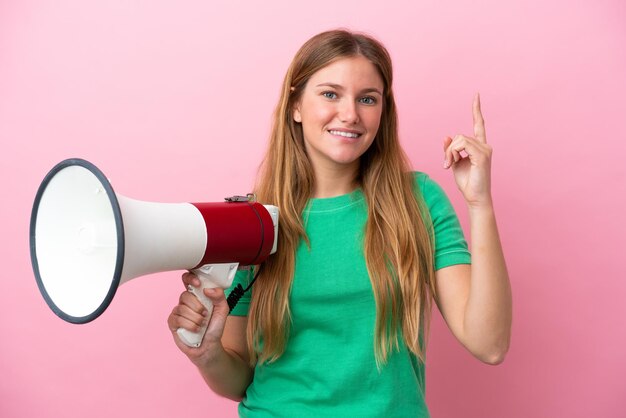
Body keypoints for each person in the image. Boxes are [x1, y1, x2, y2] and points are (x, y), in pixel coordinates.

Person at [167, 29, 512, 417]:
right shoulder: (256, 222)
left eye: (367, 99)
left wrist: (479, 203)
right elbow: (240, 379)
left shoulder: (418, 200)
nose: (350, 114)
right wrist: (208, 353)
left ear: (383, 112)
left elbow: (490, 343)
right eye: (330, 94)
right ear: (295, 105)